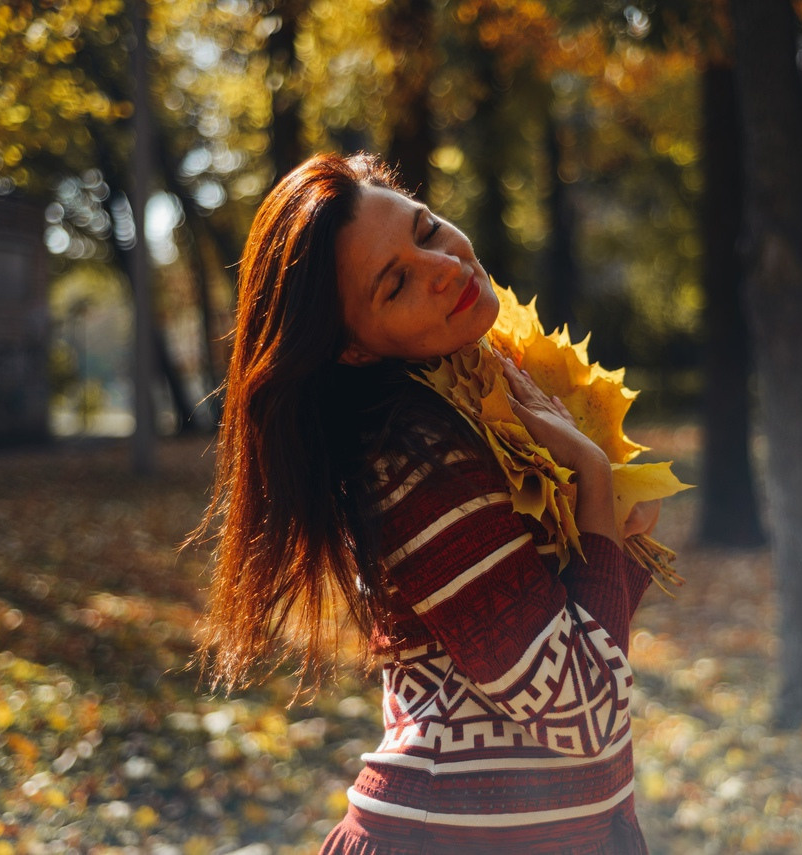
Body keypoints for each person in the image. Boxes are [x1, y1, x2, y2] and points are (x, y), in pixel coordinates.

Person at [194, 152, 658, 854]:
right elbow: (587, 713)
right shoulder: (413, 458)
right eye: (396, 282)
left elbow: (556, 645)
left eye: (426, 228)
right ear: (351, 348)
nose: (443, 265)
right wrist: (591, 476)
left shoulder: (465, 392)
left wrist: (617, 540)